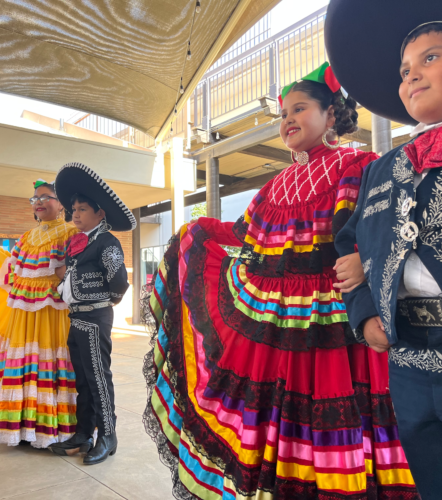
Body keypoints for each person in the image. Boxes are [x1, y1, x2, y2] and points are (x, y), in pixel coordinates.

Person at [142, 62, 418, 499]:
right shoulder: (273, 188)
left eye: (300, 108)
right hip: (282, 330)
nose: (287, 119)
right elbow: (240, 240)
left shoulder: (360, 166)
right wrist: (194, 236)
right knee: (284, 435)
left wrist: (367, 261)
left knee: (346, 427)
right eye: (283, 113)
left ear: (332, 115)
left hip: (342, 325)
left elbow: (389, 225)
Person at [327, 1, 442, 497]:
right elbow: (349, 241)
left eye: (431, 58)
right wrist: (365, 311)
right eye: (404, 70)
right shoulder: (381, 168)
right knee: (429, 471)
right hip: (408, 358)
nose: (413, 75)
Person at [0, 179, 78, 447]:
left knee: (51, 360)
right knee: (24, 361)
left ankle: (53, 428)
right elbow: (9, 274)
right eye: (34, 199)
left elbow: (72, 276)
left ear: (62, 203)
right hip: (23, 312)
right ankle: (23, 428)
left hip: (54, 311)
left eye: (45, 197)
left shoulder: (70, 233)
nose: (38, 202)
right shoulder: (26, 238)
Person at [49, 162, 134, 465]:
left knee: (98, 378)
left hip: (95, 318)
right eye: (73, 208)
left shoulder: (107, 243)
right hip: (76, 318)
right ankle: (84, 432)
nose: (75, 213)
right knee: (82, 379)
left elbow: (119, 283)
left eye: (82, 209)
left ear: (100, 214)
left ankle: (107, 436)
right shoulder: (78, 244)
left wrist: (102, 303)